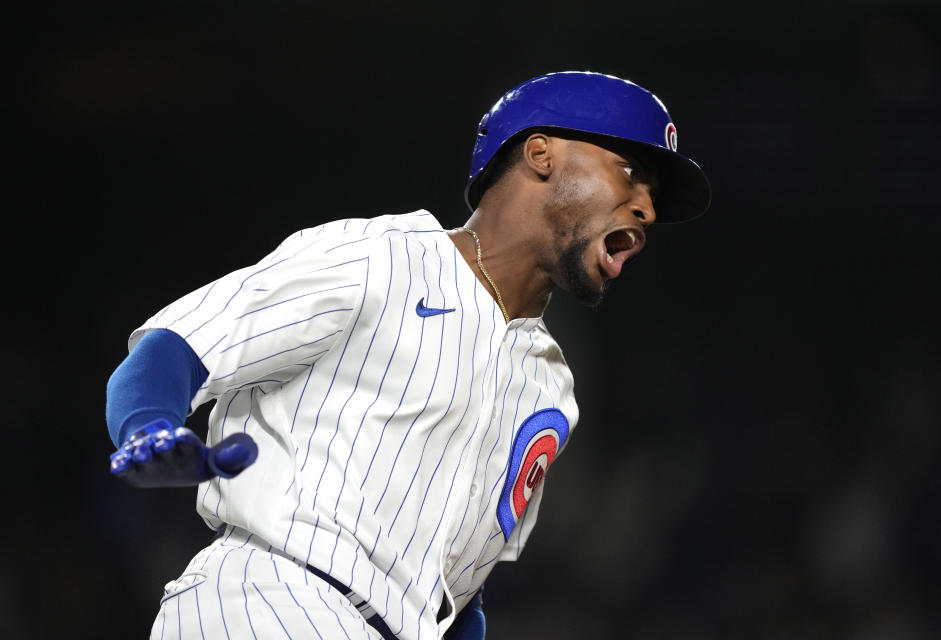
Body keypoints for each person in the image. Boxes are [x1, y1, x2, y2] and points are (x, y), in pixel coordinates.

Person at [106, 70, 711, 640]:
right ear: (541, 154)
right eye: (629, 170)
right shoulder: (383, 258)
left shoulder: (549, 387)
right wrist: (147, 427)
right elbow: (178, 344)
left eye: (652, 194)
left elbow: (459, 589)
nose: (647, 209)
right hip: (272, 595)